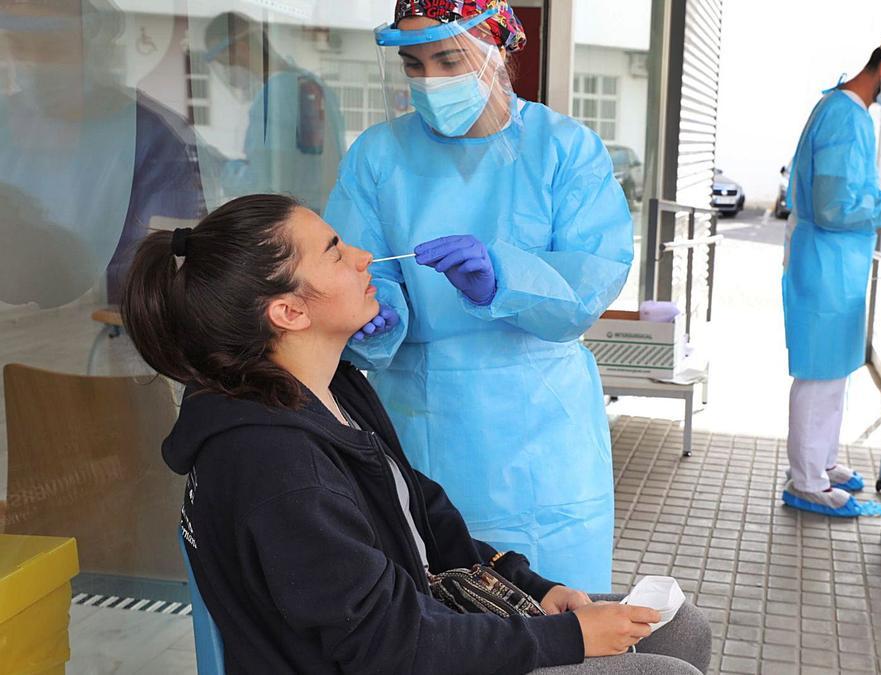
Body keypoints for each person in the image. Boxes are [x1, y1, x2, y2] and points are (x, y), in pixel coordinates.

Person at [120, 194, 709, 674]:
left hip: (418, 626)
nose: (363, 255)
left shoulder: (336, 388)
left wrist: (527, 585)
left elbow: (420, 513)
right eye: (333, 252)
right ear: (290, 312)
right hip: (394, 657)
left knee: (682, 627)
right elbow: (389, 648)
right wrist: (564, 639)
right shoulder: (275, 467)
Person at [325, 0, 633, 592]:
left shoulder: (564, 150)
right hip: (423, 423)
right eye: (414, 65)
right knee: (441, 609)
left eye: (448, 59)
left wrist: (505, 279)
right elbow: (358, 266)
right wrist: (377, 316)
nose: (431, 82)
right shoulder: (377, 156)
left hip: (546, 432)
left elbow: (591, 282)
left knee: (559, 614)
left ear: (498, 49)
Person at [781, 30, 881, 517]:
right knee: (819, 375)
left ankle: (822, 464)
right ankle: (805, 481)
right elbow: (833, 207)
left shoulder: (850, 113)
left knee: (836, 371)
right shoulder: (844, 116)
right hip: (826, 261)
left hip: (836, 263)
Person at [202, 11, 346, 213]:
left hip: (294, 219)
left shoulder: (274, 95)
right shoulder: (312, 84)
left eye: (226, 63)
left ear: (241, 49)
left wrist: (220, 169)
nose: (228, 73)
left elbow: (266, 185)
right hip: (324, 214)